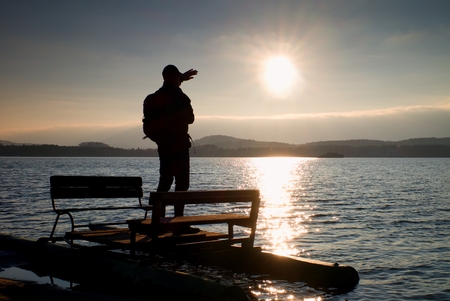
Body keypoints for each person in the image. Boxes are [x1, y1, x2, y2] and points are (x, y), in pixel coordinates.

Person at [143, 65, 197, 217]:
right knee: (182, 185)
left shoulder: (154, 98)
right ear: (174, 78)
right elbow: (190, 118)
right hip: (179, 146)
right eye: (178, 77)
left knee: (165, 182)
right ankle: (178, 222)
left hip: (164, 146)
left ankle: (158, 220)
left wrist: (180, 79)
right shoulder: (180, 97)